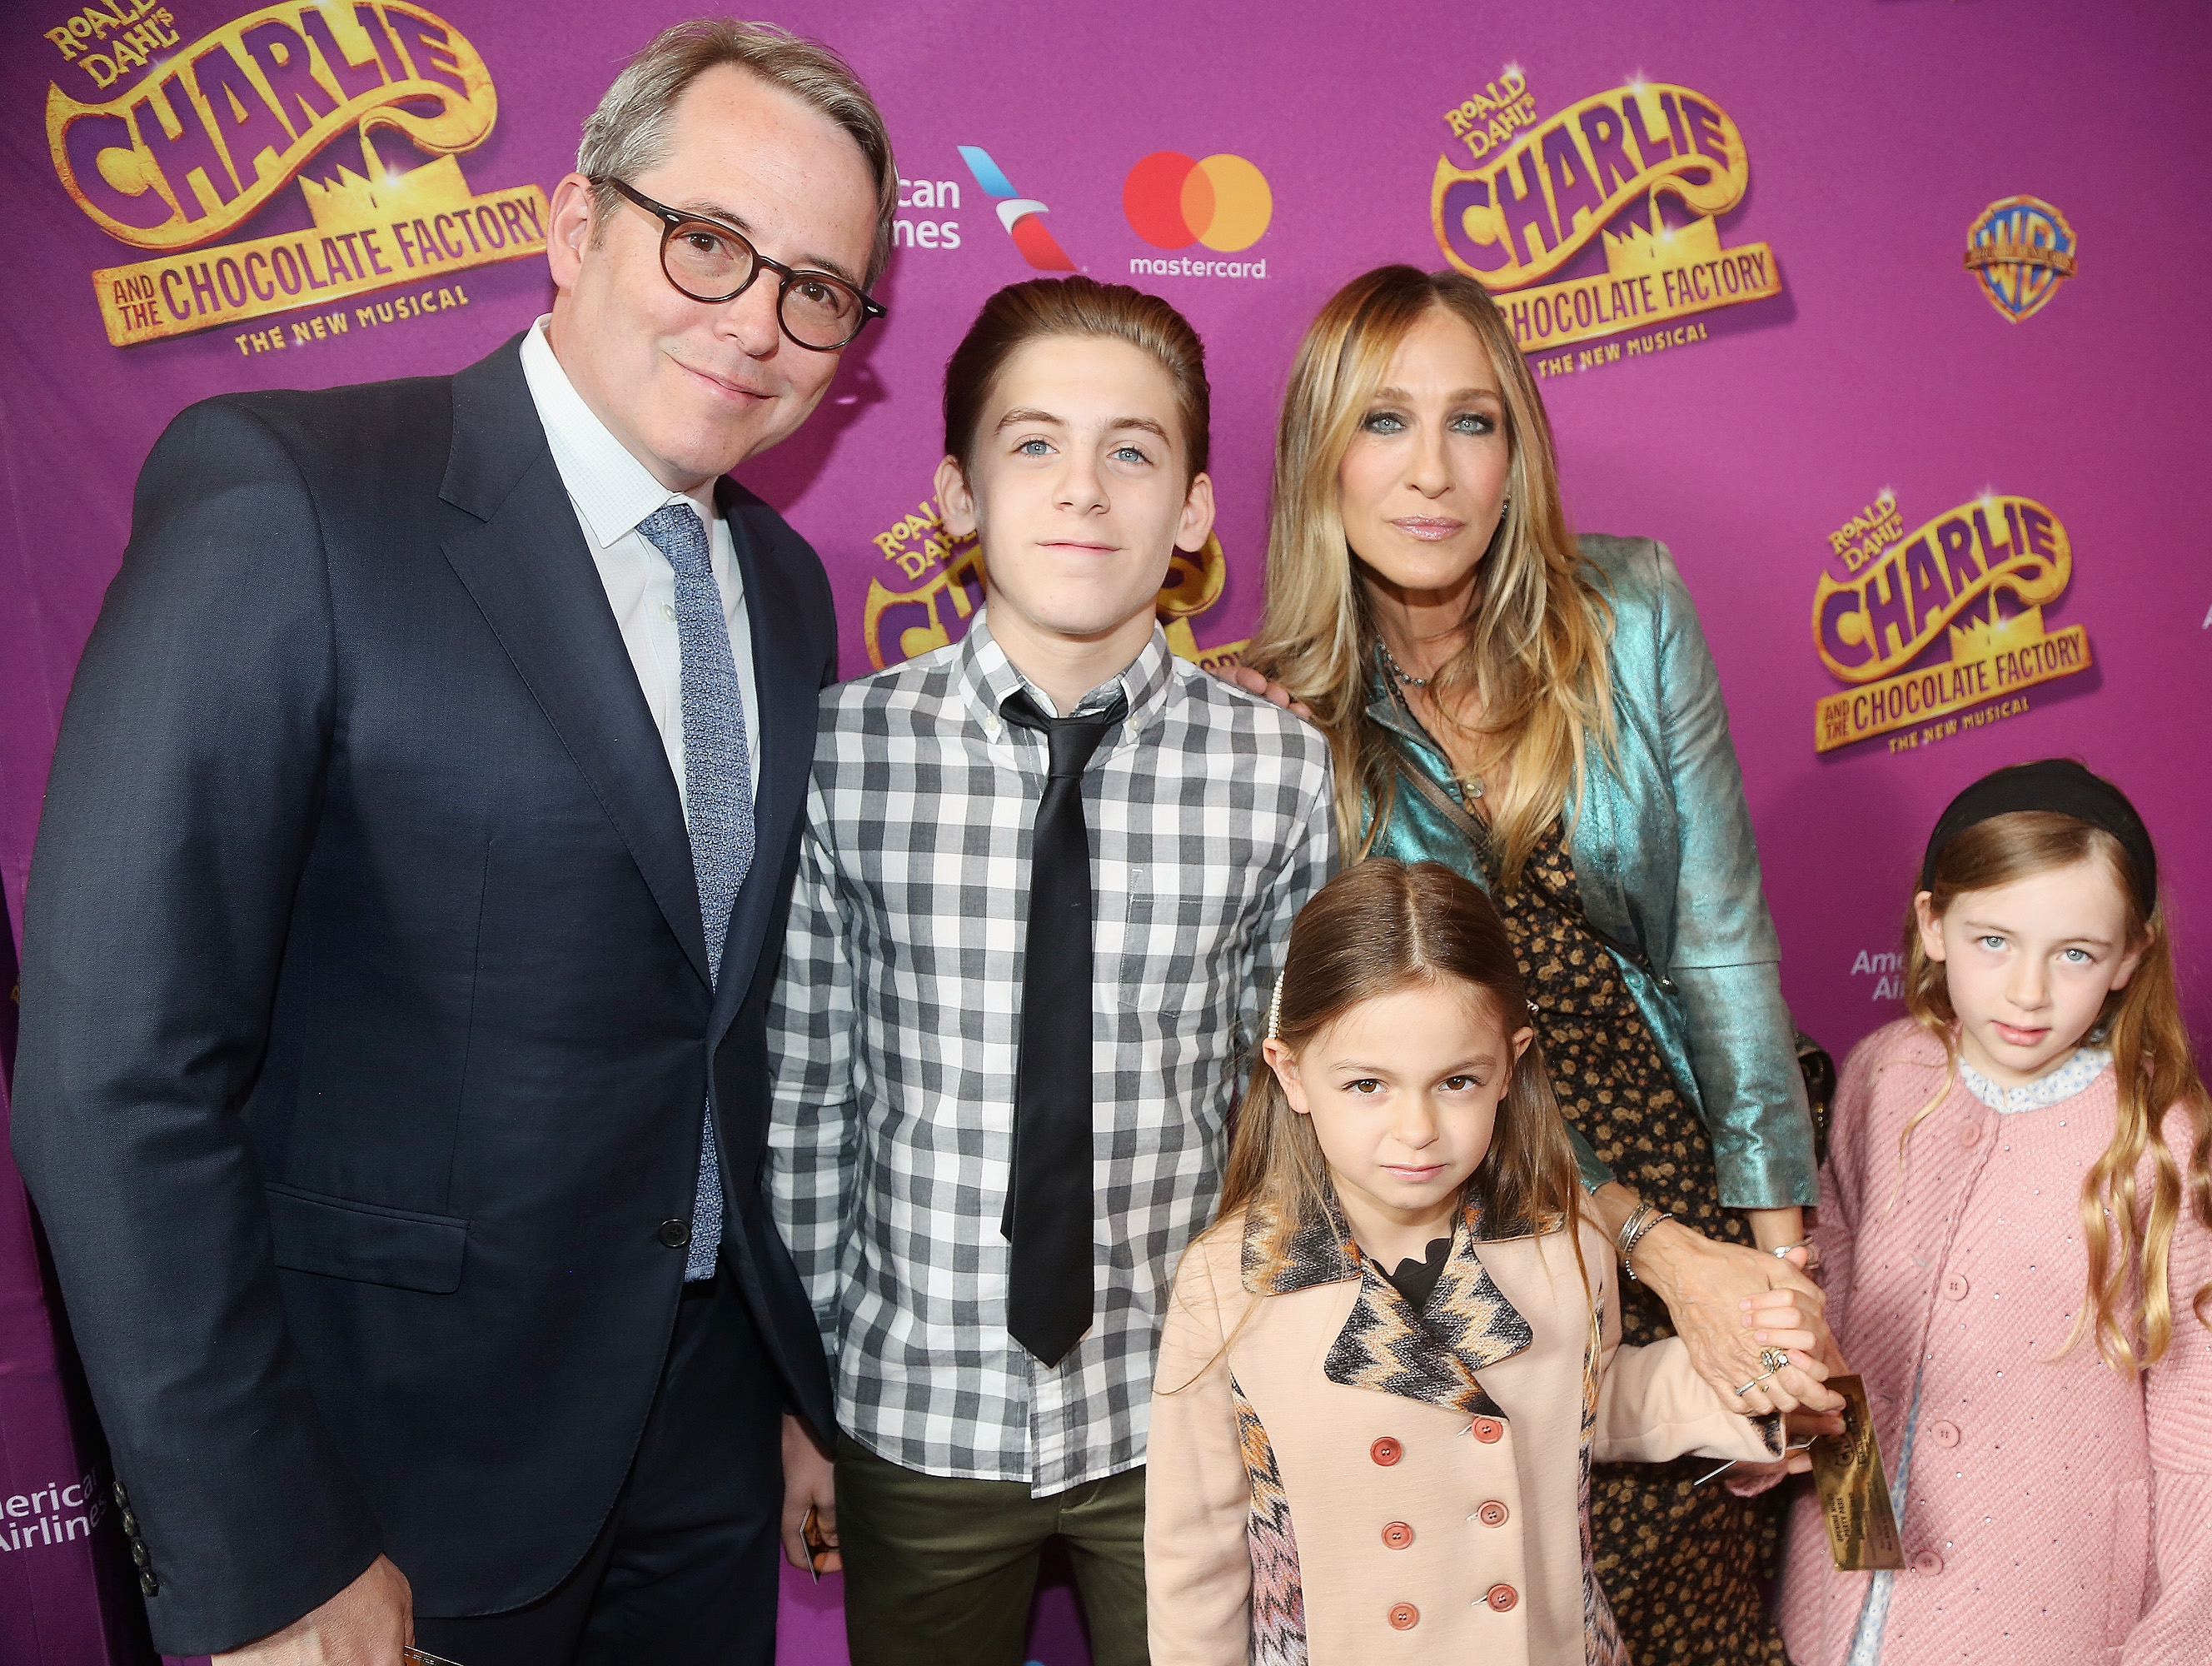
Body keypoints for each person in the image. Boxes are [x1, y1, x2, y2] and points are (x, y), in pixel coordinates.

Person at [9, 21, 893, 1665]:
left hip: (696, 1462)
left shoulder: (782, 590)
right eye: (708, 243)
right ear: (573, 227)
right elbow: (115, 1065)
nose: (757, 320)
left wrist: (786, 1388)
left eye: (817, 289)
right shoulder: (295, 496)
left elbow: (724, 1029)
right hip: (376, 1484)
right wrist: (267, 1549)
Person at [1236, 263, 1832, 1662]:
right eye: (1383, 423)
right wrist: (1661, 1256)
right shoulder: (1277, 719)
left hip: (1693, 1173)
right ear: (1318, 453)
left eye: (1475, 421)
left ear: (1519, 451)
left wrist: (1775, 1273)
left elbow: (1721, 947)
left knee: (1705, 1611)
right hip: (1475, 1238)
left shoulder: (1629, 612)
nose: (1433, 472)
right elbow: (1370, 1081)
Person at [765, 275, 1334, 1666]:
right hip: (916, 1411)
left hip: (1188, 1411)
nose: (1082, 489)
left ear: (1194, 510)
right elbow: (809, 1107)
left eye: (1131, 451)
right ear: (956, 493)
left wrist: (1289, 1382)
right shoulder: (843, 755)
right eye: (1034, 445)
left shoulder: (1278, 772)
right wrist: (801, 1401)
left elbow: (1302, 1119)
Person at [1146, 858, 1831, 1664]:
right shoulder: (1232, 1278)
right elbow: (1196, 1555)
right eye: (1367, 1084)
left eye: (1457, 1082)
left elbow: (1583, 1402)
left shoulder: (1564, 1240)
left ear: (1510, 1066)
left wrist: (1757, 1382)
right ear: (1292, 1074)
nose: (1417, 1128)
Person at [1778, 760, 2212, 1664]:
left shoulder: (2163, 1135)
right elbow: (1831, 1310)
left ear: (2129, 956)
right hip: (1852, 1577)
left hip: (2043, 1605)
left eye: (2074, 953)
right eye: (1994, 940)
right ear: (1933, 924)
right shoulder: (1883, 1070)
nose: (2029, 990)